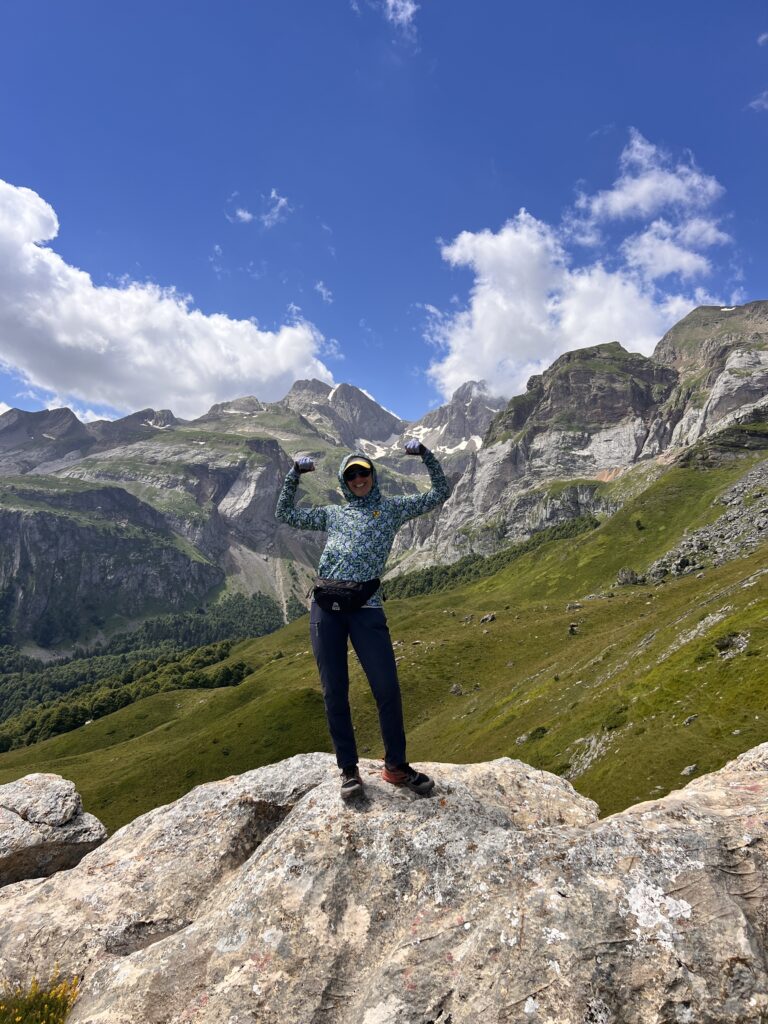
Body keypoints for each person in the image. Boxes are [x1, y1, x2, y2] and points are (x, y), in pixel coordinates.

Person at [275, 439, 450, 800]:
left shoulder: (391, 509)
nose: (358, 479)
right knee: (334, 691)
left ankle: (396, 767)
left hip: (367, 606)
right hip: (326, 606)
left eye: (363, 472)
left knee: (386, 687)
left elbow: (439, 493)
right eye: (351, 474)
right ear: (344, 480)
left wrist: (426, 455)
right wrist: (294, 475)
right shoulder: (332, 514)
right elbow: (285, 514)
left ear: (373, 476)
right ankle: (348, 771)